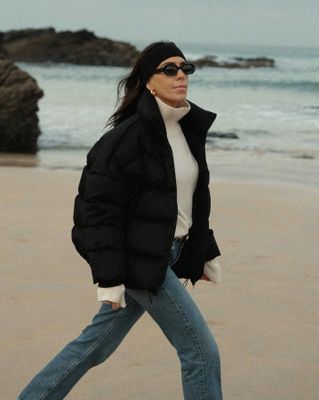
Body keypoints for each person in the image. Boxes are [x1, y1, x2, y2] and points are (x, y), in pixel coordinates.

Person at [18, 41, 223, 400]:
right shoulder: (127, 138)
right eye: (169, 69)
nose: (180, 76)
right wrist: (110, 278)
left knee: (94, 346)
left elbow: (186, 197)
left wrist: (203, 248)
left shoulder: (186, 131)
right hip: (141, 262)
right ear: (148, 81)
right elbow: (97, 212)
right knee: (200, 352)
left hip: (166, 253)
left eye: (184, 68)